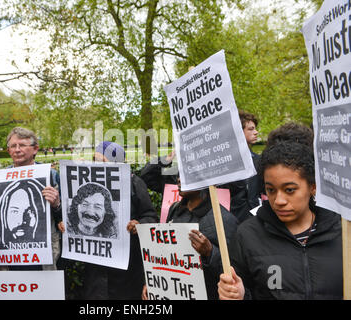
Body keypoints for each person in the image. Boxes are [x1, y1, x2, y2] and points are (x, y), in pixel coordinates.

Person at [217, 141, 343, 300]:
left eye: (289, 190)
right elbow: (243, 288)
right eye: (271, 190)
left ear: (313, 187)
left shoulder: (342, 233)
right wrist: (239, 295)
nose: (279, 200)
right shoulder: (247, 235)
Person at [62, 141, 158, 299]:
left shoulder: (134, 183)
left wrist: (139, 225)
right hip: (95, 268)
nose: (96, 164)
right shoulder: (86, 183)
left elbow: (150, 216)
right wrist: (64, 222)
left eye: (102, 161)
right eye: (95, 159)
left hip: (126, 268)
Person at [0, 127, 62, 273]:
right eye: (13, 146)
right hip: (9, 260)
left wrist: (56, 204)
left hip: (45, 260)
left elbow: (67, 219)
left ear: (35, 149)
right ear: (8, 151)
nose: (17, 150)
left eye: (22, 145)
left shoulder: (51, 176)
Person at [142, 177, 238, 300]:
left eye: (185, 175)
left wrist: (210, 252)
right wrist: (153, 284)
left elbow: (234, 272)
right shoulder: (175, 209)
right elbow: (164, 253)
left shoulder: (225, 220)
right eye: (178, 175)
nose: (178, 179)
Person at [220, 110, 262, 223]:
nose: (256, 132)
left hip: (255, 220)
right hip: (230, 220)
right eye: (250, 129)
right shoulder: (224, 160)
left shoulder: (258, 160)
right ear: (238, 131)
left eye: (255, 128)